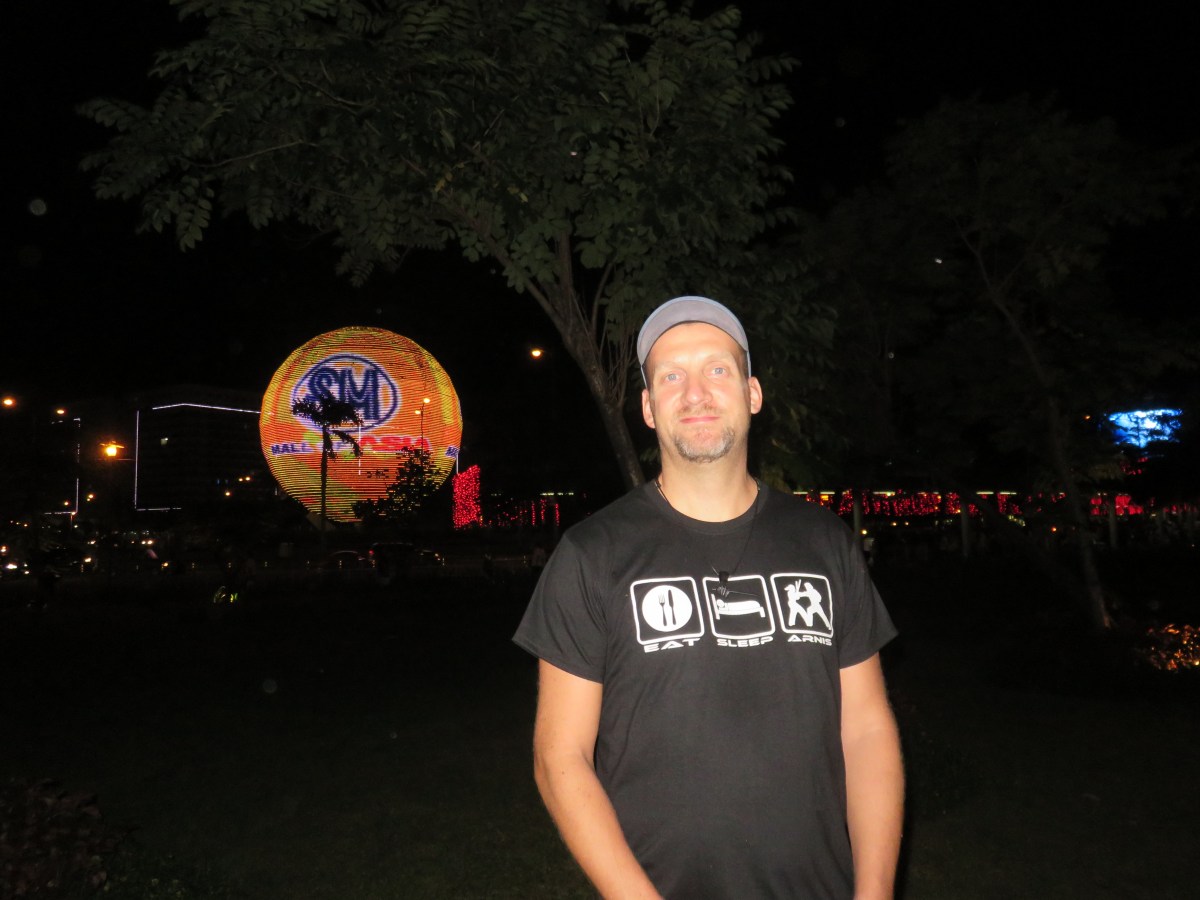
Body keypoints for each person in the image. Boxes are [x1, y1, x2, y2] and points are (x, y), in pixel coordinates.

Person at [513, 296, 904, 898]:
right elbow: (559, 757)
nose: (695, 393)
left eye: (717, 369)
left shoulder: (825, 543)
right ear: (648, 407)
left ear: (753, 393)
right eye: (671, 376)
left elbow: (867, 730)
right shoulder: (592, 554)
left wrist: (874, 892)